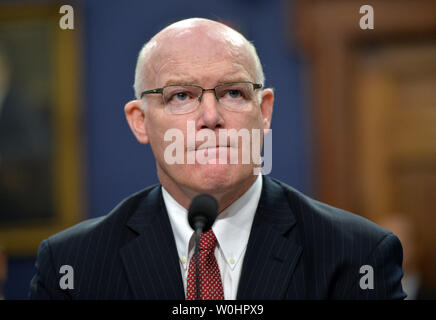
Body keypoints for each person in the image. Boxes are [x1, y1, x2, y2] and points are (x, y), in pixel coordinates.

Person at [29, 18, 406, 300]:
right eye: (181, 96)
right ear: (140, 122)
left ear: (265, 111)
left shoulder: (357, 256)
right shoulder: (72, 265)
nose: (211, 117)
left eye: (233, 93)